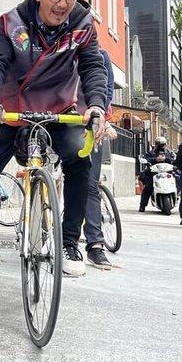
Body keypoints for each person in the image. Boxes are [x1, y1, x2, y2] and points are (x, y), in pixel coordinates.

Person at [0, 0, 107, 280]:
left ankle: (70, 241)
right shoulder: (11, 23)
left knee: (80, 162)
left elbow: (92, 67)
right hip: (12, 112)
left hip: (60, 111)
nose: (64, 4)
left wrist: (96, 105)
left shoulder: (83, 23)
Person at [82, 49, 118, 270]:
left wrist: (100, 116)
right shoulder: (52, 47)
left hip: (90, 124)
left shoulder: (100, 55)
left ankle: (95, 245)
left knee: (89, 185)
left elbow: (107, 88)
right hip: (56, 119)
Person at [138, 136, 175, 213]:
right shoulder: (150, 153)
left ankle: (176, 197)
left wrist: (165, 159)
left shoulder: (169, 153)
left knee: (178, 180)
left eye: (162, 144)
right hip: (153, 173)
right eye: (159, 144)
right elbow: (145, 159)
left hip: (167, 173)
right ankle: (142, 205)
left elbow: (174, 159)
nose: (161, 146)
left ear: (165, 144)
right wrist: (155, 159)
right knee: (148, 187)